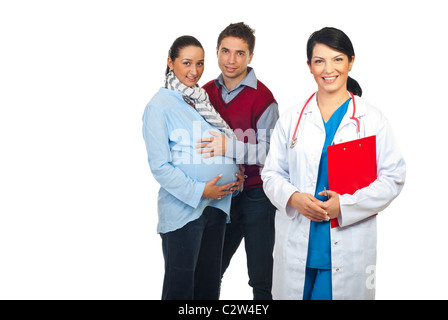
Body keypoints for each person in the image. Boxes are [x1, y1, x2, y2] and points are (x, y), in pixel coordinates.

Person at [261, 27, 406, 300]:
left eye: (338, 59)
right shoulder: (292, 118)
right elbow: (271, 174)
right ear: (309, 66)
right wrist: (293, 198)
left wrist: (345, 205)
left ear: (351, 62)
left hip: (347, 245)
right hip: (297, 245)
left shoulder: (372, 120)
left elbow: (393, 177)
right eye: (319, 61)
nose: (329, 69)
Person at [142, 35, 244, 300]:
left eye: (200, 64)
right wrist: (202, 190)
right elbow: (160, 167)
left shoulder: (200, 101)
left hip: (218, 208)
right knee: (181, 290)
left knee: (209, 288)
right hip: (184, 210)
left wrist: (235, 172)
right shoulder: (159, 106)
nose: (194, 71)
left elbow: (217, 145)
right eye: (187, 63)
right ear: (170, 63)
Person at [196, 22, 279, 300]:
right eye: (225, 51)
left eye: (240, 53)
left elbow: (270, 152)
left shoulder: (264, 98)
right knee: (209, 270)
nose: (231, 60)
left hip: (257, 195)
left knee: (261, 276)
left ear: (250, 57)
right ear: (217, 52)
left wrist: (230, 148)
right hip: (220, 194)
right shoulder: (203, 93)